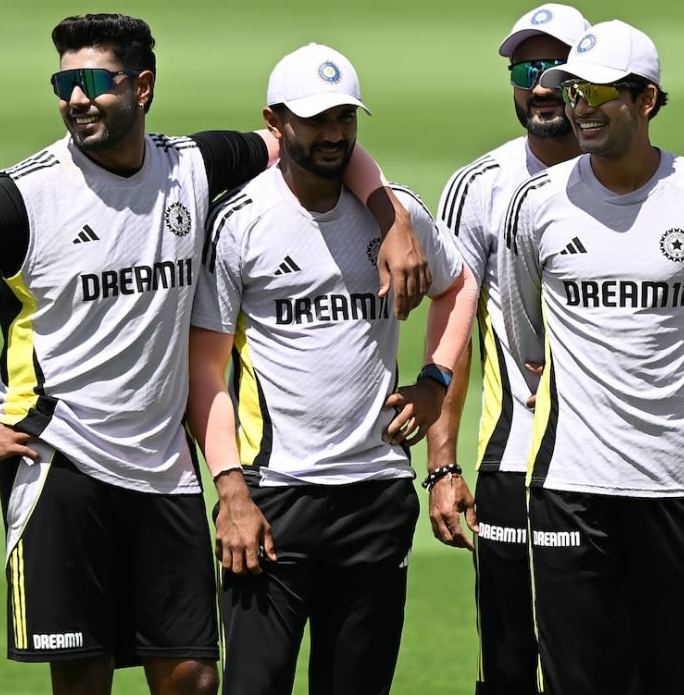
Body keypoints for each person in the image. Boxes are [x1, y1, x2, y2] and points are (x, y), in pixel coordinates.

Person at [0, 14, 429, 695]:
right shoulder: (24, 195)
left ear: (142, 88)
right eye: (64, 83)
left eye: (93, 82)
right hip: (63, 466)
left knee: (195, 678)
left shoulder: (192, 166)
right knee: (84, 681)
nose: (75, 99)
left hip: (166, 470)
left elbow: (321, 141)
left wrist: (391, 217)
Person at [186, 42, 477, 695]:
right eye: (315, 120)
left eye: (345, 118)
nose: (332, 134)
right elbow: (203, 371)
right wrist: (231, 491)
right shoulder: (239, 223)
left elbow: (460, 288)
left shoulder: (398, 213)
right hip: (273, 496)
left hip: (375, 493)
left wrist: (434, 379)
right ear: (275, 120)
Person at [498, 19, 684, 695]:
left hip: (675, 486)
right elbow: (527, 342)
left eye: (598, 91)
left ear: (646, 100)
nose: (578, 105)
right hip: (569, 487)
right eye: (571, 89)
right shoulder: (535, 204)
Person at [426, 2, 589, 695]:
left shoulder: (641, 183)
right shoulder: (479, 186)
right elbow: (453, 332)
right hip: (513, 459)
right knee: (510, 666)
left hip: (625, 468)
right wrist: (441, 465)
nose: (542, 84)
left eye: (557, 65)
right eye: (527, 67)